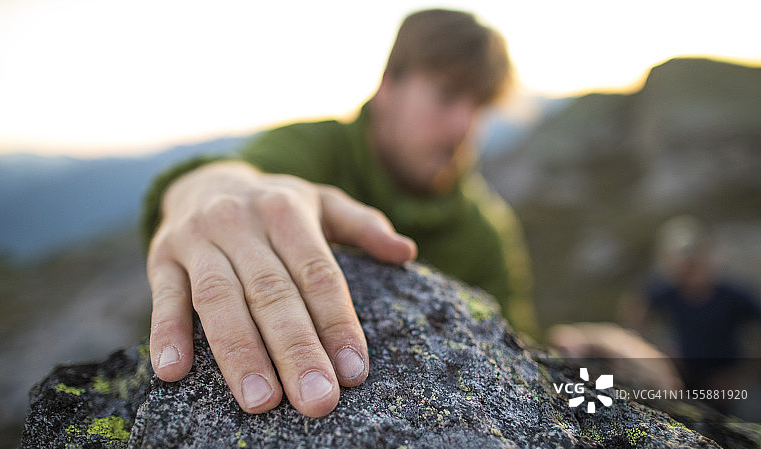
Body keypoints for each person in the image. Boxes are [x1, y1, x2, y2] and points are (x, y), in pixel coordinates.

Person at [140, 9, 538, 418]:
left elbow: (516, 347)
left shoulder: (486, 233)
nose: (463, 127)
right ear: (389, 86)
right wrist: (207, 191)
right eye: (446, 95)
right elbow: (243, 185)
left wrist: (577, 359)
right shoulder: (316, 149)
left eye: (480, 107)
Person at [623, 216, 761, 399]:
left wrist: (743, 373)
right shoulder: (665, 290)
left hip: (727, 377)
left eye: (694, 263)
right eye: (682, 266)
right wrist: (658, 350)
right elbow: (634, 314)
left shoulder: (733, 294)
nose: (689, 271)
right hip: (684, 372)